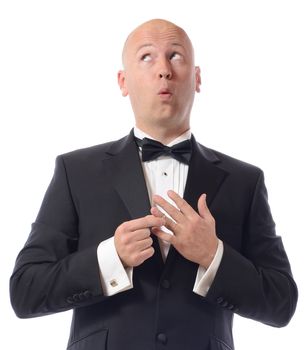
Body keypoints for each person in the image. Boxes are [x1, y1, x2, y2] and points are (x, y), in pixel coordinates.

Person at [10, 19, 297, 350]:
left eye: (175, 55)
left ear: (198, 77)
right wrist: (110, 257)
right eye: (146, 57)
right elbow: (25, 291)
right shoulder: (75, 171)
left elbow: (281, 302)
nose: (164, 69)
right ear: (123, 81)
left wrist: (213, 255)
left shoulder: (245, 180)